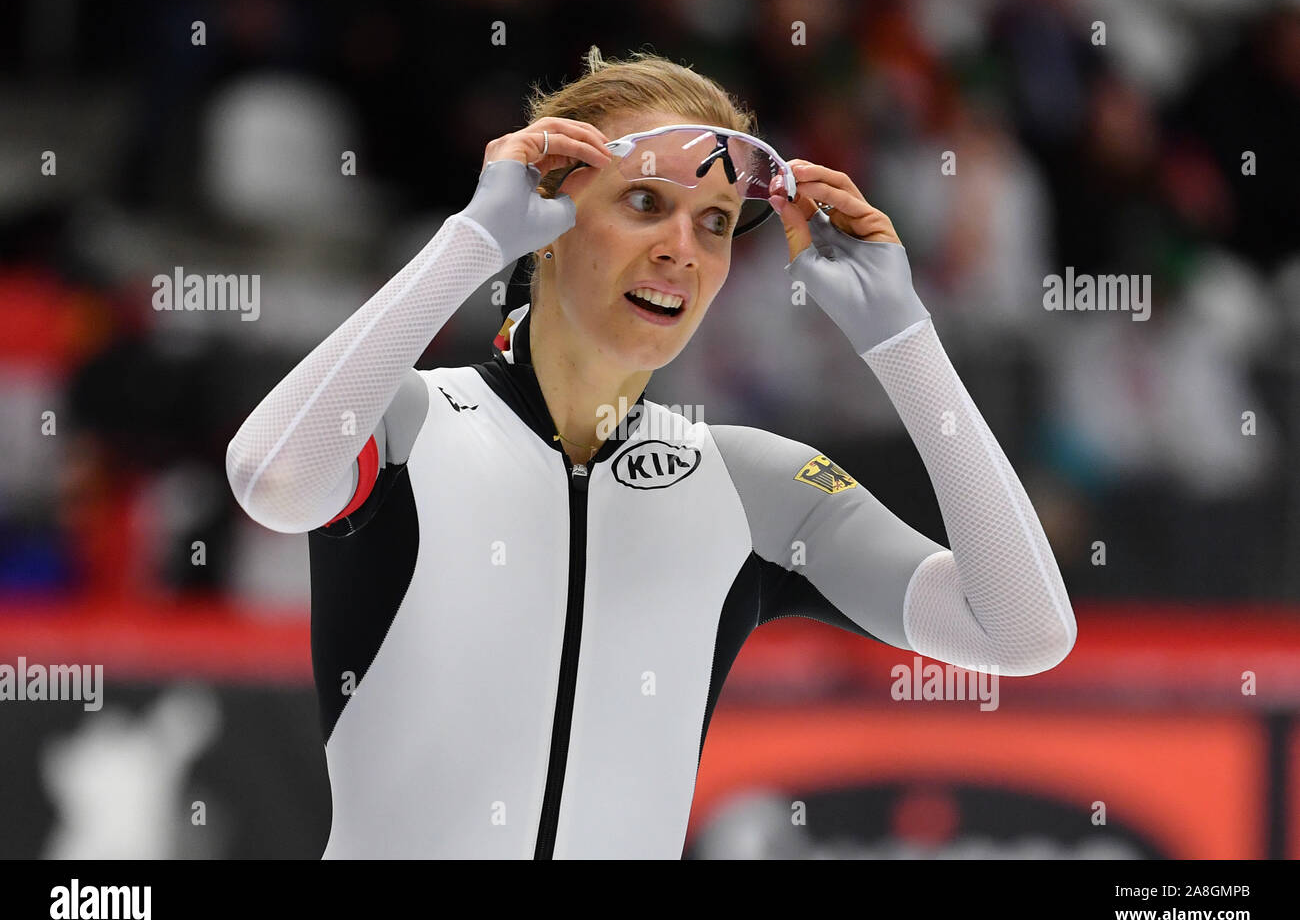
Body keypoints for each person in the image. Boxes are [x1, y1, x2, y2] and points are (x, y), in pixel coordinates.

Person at [225, 47, 1076, 859]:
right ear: (547, 215)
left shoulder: (753, 489)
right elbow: (274, 478)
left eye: (714, 223)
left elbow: (1022, 631)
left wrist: (901, 337)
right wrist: (476, 238)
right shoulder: (410, 422)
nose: (682, 248)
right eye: (643, 204)